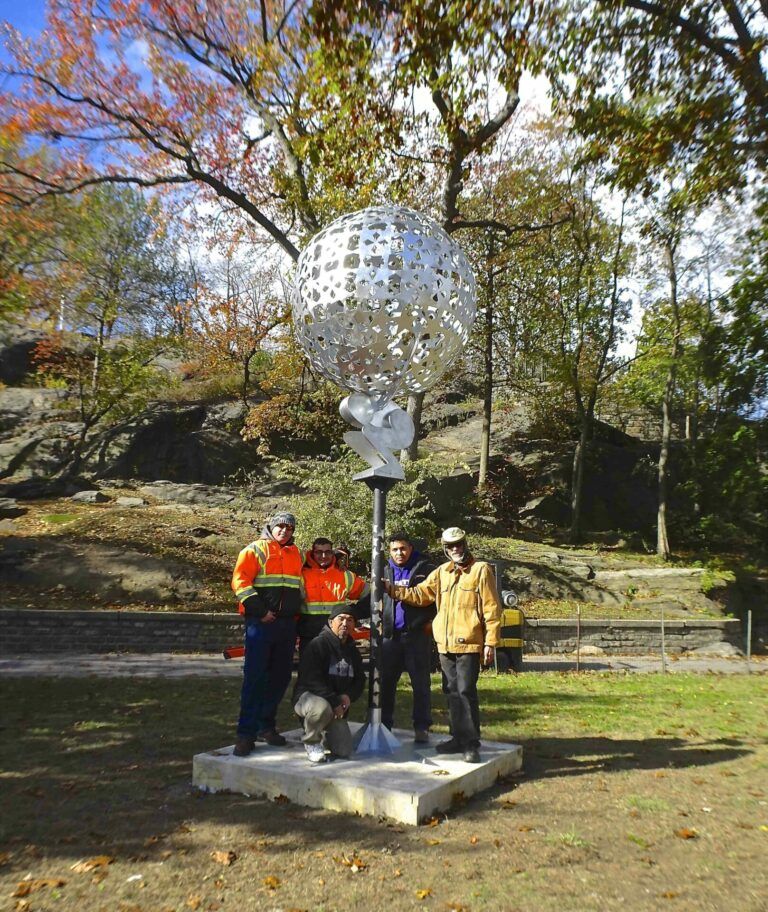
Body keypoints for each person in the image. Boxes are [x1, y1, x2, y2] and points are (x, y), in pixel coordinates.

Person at [384, 526, 501, 763]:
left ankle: (470, 743)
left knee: (466, 692)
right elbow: (420, 594)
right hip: (445, 645)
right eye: (450, 546)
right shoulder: (441, 572)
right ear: (444, 549)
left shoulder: (481, 570)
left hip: (468, 643)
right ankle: (457, 738)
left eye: (459, 544)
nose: (455, 549)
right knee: (451, 692)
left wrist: (491, 642)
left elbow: (492, 608)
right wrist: (393, 591)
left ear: (465, 543)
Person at [230, 511, 304, 757]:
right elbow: (240, 582)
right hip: (261, 623)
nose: (284, 530)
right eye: (280, 526)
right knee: (255, 678)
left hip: (286, 626)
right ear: (271, 527)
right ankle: (245, 734)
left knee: (280, 678)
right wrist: (260, 612)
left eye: (289, 528)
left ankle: (266, 726)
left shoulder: (297, 554)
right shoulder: (254, 549)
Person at [381, 531, 437, 743]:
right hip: (390, 636)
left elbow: (435, 599)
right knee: (386, 683)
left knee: (420, 684)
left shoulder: (425, 569)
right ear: (389, 551)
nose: (399, 553)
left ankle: (422, 726)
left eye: (403, 548)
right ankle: (384, 724)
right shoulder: (383, 569)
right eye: (395, 549)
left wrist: (432, 622)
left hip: (416, 636)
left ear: (411, 548)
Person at [292, 605, 366, 763]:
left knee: (344, 750)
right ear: (331, 622)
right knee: (321, 708)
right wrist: (334, 701)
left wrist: (348, 696)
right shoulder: (318, 644)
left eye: (350, 620)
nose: (345, 623)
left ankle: (323, 732)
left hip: (335, 702)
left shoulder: (352, 650)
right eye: (341, 619)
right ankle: (311, 742)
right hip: (309, 698)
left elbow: (360, 680)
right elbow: (311, 679)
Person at [299, 537, 368, 656]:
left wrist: (353, 613)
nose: (324, 556)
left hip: (336, 635)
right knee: (308, 672)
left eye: (327, 552)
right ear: (312, 552)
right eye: (319, 552)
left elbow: (370, 593)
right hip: (308, 634)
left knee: (334, 672)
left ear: (332, 552)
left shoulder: (344, 575)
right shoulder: (301, 573)